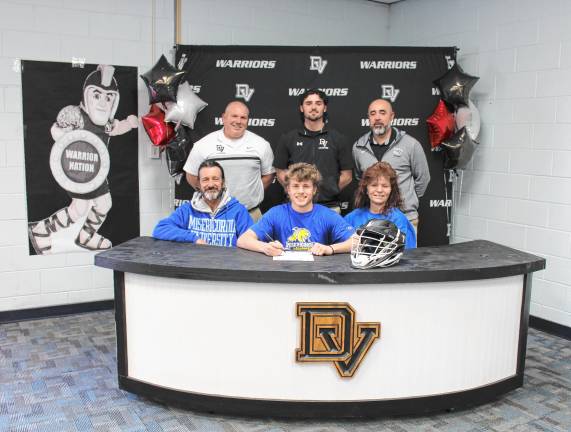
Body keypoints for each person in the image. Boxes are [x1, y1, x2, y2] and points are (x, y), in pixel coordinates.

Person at [28, 64, 138, 254]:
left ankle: (86, 236)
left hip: (97, 172)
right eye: (97, 95)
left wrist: (129, 123)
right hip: (77, 171)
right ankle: (40, 230)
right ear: (87, 95)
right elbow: (57, 131)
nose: (102, 102)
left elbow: (117, 128)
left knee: (105, 204)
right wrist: (63, 133)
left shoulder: (107, 124)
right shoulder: (76, 115)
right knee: (79, 207)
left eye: (108, 97)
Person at [183, 100, 274, 221]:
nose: (238, 121)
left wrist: (253, 193)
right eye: (234, 116)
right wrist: (209, 192)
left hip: (250, 214)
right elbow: (191, 175)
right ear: (224, 118)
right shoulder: (203, 145)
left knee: (253, 241)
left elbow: (269, 175)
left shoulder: (261, 144)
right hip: (214, 214)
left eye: (243, 117)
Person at [237, 163, 354, 257]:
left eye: (306, 186)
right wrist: (265, 247)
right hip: (284, 276)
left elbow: (357, 242)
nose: (301, 191)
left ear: (314, 190)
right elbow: (243, 240)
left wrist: (330, 249)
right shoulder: (276, 213)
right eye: (296, 186)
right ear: (288, 189)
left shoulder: (327, 215)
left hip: (318, 277)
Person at [353, 98, 430, 232]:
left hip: (405, 217)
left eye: (382, 113)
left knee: (407, 254)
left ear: (391, 116)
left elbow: (423, 178)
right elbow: (360, 179)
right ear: (368, 118)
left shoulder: (411, 145)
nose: (377, 117)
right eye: (373, 113)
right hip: (371, 220)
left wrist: (406, 199)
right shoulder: (359, 147)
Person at [274, 89, 353, 212]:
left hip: (329, 207)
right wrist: (297, 192)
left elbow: (347, 175)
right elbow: (280, 172)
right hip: (295, 207)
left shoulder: (338, 139)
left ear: (325, 108)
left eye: (318, 103)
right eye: (308, 103)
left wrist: (329, 190)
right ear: (302, 108)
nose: (313, 107)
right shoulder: (288, 138)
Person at [153, 161, 253, 246]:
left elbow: (252, 241)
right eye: (205, 180)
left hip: (228, 267)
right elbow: (160, 229)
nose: (210, 184)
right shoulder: (188, 210)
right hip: (196, 266)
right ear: (199, 184)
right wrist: (193, 238)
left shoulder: (238, 211)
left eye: (215, 179)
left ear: (223, 182)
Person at [345, 161, 416, 249]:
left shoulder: (399, 219)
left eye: (385, 186)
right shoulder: (352, 217)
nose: (379, 190)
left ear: (391, 190)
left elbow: (406, 254)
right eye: (374, 185)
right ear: (366, 189)